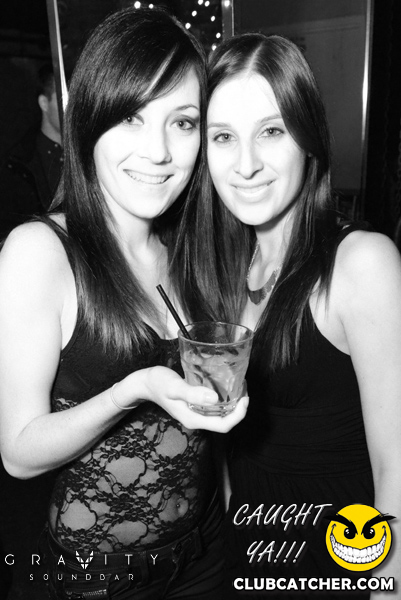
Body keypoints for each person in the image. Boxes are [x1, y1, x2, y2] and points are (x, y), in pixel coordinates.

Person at [0, 8, 248, 600]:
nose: (158, 151)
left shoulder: (192, 252)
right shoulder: (41, 251)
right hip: (97, 579)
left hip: (205, 554)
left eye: (182, 122)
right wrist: (131, 390)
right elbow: (18, 452)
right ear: (90, 121)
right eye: (132, 117)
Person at [179, 33, 401, 598]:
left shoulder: (360, 263)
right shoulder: (226, 271)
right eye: (223, 137)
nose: (246, 164)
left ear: (308, 138)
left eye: (272, 131)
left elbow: (397, 466)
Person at [0, 63, 63, 239]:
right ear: (44, 103)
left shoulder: (87, 152)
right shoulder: (18, 165)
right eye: (62, 99)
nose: (71, 106)